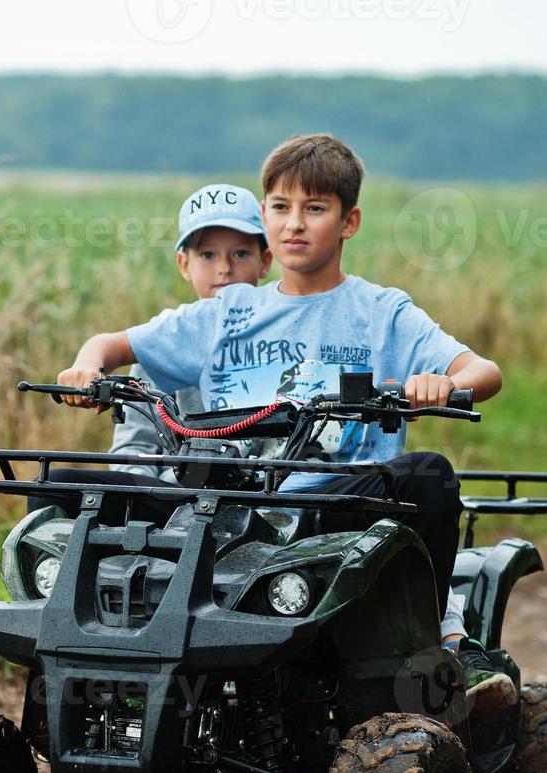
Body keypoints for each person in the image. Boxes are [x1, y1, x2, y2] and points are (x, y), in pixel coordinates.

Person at [53, 134, 514, 714]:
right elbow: (112, 343)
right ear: (265, 213)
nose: (294, 225)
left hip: (332, 505)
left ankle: (436, 654)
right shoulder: (230, 311)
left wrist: (445, 383)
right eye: (280, 208)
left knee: (428, 474)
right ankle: (88, 665)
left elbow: (485, 371)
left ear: (349, 222)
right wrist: (87, 366)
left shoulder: (382, 313)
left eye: (314, 209)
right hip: (218, 506)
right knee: (67, 486)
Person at [109, 183, 272, 485]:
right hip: (179, 501)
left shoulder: (284, 335)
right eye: (208, 255)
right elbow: (135, 448)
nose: (224, 269)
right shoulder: (163, 342)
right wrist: (145, 495)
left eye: (240, 253)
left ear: (265, 261)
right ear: (185, 264)